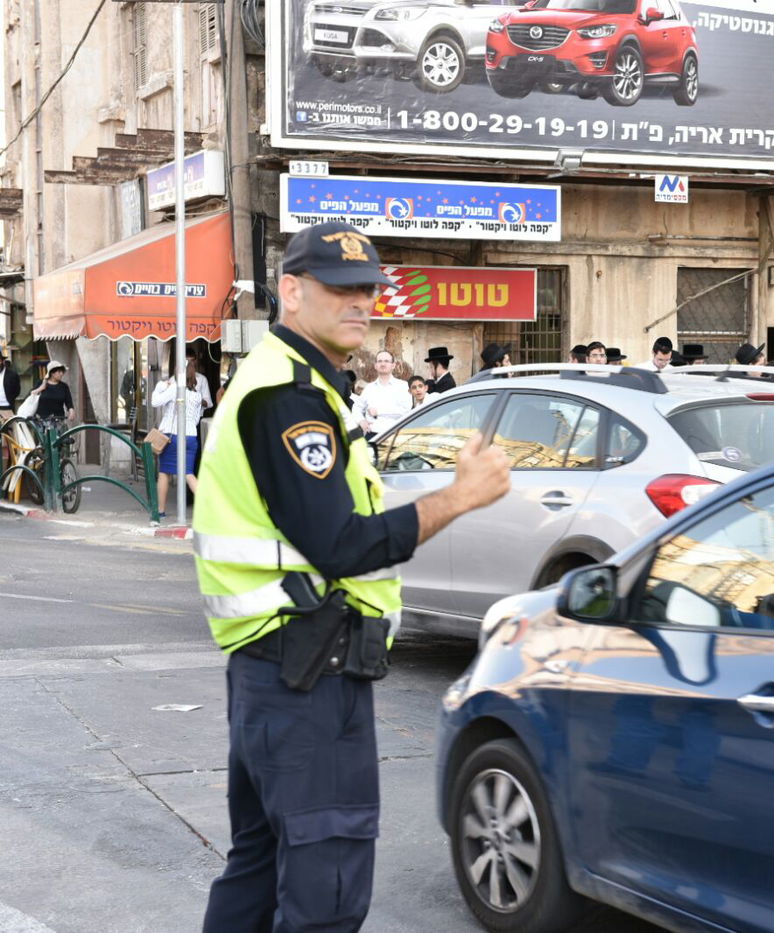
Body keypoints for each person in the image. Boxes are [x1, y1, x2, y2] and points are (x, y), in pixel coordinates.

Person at [195, 221, 512, 931]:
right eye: (340, 289)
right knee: (323, 895)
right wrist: (459, 497)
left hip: (278, 668)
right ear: (292, 291)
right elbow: (339, 543)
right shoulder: (288, 397)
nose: (359, 303)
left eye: (367, 288)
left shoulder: (301, 382)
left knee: (258, 869)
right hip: (306, 672)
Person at [150, 355, 205, 519]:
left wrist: (160, 386)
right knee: (189, 473)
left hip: (173, 436)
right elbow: (196, 419)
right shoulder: (197, 395)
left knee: (164, 473)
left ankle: (160, 510)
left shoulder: (174, 389)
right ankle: (208, 508)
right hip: (191, 438)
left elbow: (155, 401)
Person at [355, 350, 411, 437]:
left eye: (386, 361)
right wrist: (361, 421)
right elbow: (357, 408)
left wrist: (378, 411)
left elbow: (405, 410)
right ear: (375, 366)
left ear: (393, 365)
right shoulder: (369, 388)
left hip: (395, 435)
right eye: (379, 361)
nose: (383, 364)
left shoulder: (402, 386)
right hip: (372, 434)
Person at [0, 350, 19, 420]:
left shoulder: (12, 375)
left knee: (9, 429)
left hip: (7, 407)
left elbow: (17, 391)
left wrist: (10, 399)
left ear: (2, 361)